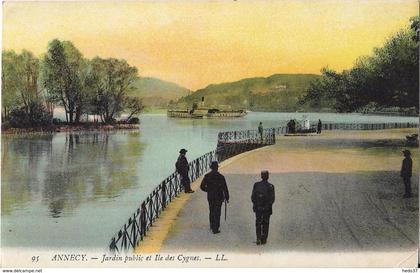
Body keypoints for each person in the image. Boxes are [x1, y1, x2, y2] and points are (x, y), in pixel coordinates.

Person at [200, 161, 229, 234]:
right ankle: (216, 228)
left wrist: (208, 190)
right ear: (217, 168)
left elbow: (202, 186)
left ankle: (212, 225)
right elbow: (225, 188)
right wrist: (227, 197)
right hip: (219, 196)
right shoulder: (221, 177)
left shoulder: (207, 176)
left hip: (211, 196)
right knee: (217, 211)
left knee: (211, 210)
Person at [251, 170, 275, 245]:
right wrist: (267, 206)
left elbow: (253, 197)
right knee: (265, 223)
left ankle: (258, 238)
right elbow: (272, 198)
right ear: (267, 177)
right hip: (266, 209)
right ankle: (264, 239)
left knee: (258, 222)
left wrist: (255, 205)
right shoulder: (271, 186)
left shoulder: (256, 185)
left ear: (261, 176)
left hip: (258, 207)